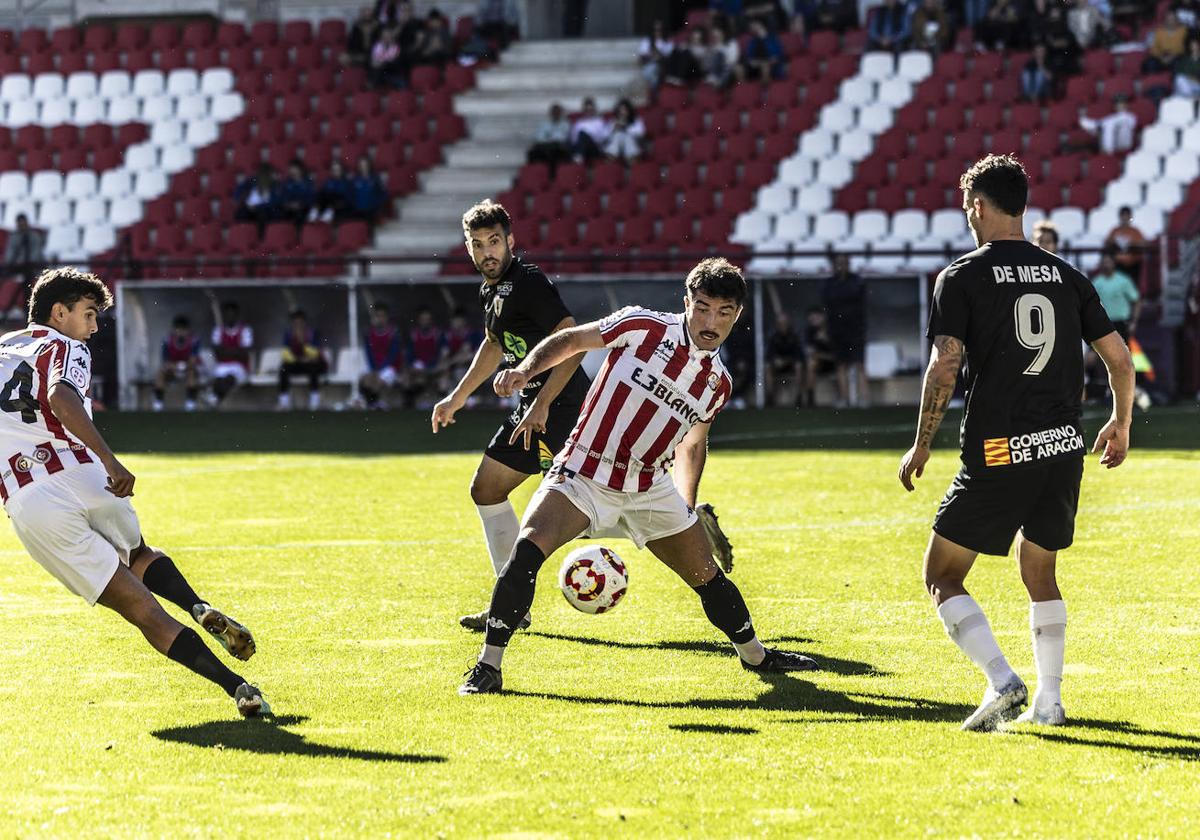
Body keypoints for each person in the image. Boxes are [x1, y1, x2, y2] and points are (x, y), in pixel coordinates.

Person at [457, 258, 818, 695]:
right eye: (702, 307)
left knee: (709, 578)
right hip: (583, 470)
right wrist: (525, 371)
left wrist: (687, 505)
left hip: (649, 487)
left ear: (737, 316)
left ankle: (757, 656)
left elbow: (692, 444)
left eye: (724, 313)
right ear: (686, 302)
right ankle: (488, 667)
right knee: (525, 554)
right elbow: (571, 339)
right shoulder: (642, 326)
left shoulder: (718, 383)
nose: (710, 322)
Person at [898, 154, 1134, 731]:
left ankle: (1003, 681)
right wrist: (1121, 422)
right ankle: (1050, 702)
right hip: (1062, 446)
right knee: (1040, 572)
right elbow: (1120, 359)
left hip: (1002, 448)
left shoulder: (961, 275)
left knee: (942, 574)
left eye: (965, 204)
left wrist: (921, 442)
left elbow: (944, 365)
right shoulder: (1068, 275)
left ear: (978, 204)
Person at [0, 268, 269, 716]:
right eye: (88, 314)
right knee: (138, 553)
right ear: (58, 312)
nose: (93, 327)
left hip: (29, 501)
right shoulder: (64, 345)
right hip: (84, 473)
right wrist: (109, 459)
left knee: (141, 610)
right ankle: (197, 605)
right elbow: (61, 397)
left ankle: (238, 688)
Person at [432, 201, 590, 632]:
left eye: (494, 242)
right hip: (531, 410)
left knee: (585, 516)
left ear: (510, 242)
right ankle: (511, 605)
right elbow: (494, 344)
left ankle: (684, 522)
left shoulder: (529, 282)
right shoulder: (492, 289)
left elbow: (571, 343)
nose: (487, 252)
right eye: (477, 244)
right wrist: (458, 396)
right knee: (486, 489)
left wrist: (541, 404)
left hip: (565, 410)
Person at [822, 253, 869, 407]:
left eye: (844, 263)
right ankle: (844, 399)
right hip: (837, 330)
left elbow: (856, 298)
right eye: (838, 263)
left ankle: (864, 399)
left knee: (859, 364)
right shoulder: (829, 283)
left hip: (855, 329)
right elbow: (828, 305)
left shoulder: (857, 281)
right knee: (841, 364)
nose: (841, 266)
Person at [278, 309, 327, 411]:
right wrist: (297, 359)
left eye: (300, 322)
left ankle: (314, 402)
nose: (298, 325)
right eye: (295, 323)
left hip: (313, 363)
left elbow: (316, 353)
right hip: (297, 363)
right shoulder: (289, 334)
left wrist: (303, 343)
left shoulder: (312, 333)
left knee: (313, 369)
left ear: (304, 322)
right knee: (283, 369)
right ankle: (284, 403)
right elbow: (285, 353)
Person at [153, 315, 201, 412]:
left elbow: (193, 361)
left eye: (184, 330)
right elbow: (165, 362)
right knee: (160, 374)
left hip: (188, 370)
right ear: (174, 330)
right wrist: (175, 367)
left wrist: (181, 366)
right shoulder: (167, 341)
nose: (181, 333)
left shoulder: (194, 341)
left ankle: (190, 404)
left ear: (188, 330)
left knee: (192, 374)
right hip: (173, 370)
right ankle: (158, 403)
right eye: (178, 329)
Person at [360, 302, 402, 410]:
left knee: (378, 382)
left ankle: (380, 402)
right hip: (375, 366)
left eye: (382, 316)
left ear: (387, 317)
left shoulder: (393, 332)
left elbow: (393, 354)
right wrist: (374, 369)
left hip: (390, 367)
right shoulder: (369, 333)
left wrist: (380, 369)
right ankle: (373, 404)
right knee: (365, 380)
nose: (380, 319)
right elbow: (369, 352)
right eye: (377, 316)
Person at [210, 301, 253, 405]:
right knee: (218, 380)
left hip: (240, 366)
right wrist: (235, 350)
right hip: (223, 365)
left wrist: (226, 351)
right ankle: (216, 400)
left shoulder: (245, 330)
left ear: (237, 315)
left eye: (232, 314)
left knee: (229, 378)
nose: (230, 317)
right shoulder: (218, 330)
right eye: (228, 314)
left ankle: (215, 400)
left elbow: (245, 353)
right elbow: (217, 353)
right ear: (224, 315)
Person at [1090, 251, 1141, 339]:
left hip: (1121, 323)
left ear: (1113, 264)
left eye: (1108, 262)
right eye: (1104, 263)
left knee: (1123, 351)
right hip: (1103, 323)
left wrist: (1133, 322)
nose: (1106, 265)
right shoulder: (1096, 282)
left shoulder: (1124, 280)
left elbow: (1136, 301)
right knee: (1098, 352)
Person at [3, 213, 45, 318]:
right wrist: (12, 265)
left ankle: (26, 312)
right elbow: (9, 254)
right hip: (17, 267)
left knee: (27, 282)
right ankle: (7, 310)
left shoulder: (34, 236)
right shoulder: (14, 237)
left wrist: (25, 265)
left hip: (32, 268)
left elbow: (35, 255)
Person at [406, 307, 445, 405]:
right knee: (413, 381)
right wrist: (413, 366)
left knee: (443, 382)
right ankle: (412, 405)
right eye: (423, 319)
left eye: (427, 319)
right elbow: (409, 355)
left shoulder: (438, 334)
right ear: (419, 320)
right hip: (418, 370)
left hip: (434, 369)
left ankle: (441, 404)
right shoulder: (413, 334)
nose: (425, 322)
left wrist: (434, 366)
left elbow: (443, 353)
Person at [766, 311, 806, 407]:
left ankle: (799, 396)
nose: (782, 325)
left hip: (792, 365)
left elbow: (800, 356)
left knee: (799, 366)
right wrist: (775, 360)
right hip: (777, 366)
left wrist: (786, 361)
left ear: (788, 323)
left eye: (784, 323)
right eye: (780, 323)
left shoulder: (795, 336)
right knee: (767, 367)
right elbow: (769, 355)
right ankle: (770, 397)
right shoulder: (773, 337)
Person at [803, 306, 837, 407]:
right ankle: (810, 398)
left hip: (836, 364)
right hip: (820, 363)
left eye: (816, 318)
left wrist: (826, 341)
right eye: (811, 319)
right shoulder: (809, 331)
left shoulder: (833, 329)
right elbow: (810, 353)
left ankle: (843, 399)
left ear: (823, 317)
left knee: (841, 366)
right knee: (811, 364)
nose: (813, 321)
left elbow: (839, 354)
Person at [526, 103, 573, 173]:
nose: (555, 114)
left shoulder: (566, 124)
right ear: (551, 113)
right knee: (532, 152)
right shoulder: (544, 124)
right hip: (545, 146)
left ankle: (552, 175)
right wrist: (551, 138)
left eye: (557, 112)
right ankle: (531, 174)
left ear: (560, 113)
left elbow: (562, 138)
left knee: (553, 151)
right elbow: (539, 137)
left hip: (559, 148)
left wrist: (548, 136)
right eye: (554, 112)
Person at [1103, 206, 1147, 280]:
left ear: (1130, 217)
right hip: (1118, 265)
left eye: (1127, 216)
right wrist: (1115, 242)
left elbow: (1143, 243)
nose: (1125, 218)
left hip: (1134, 265)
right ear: (1120, 217)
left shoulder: (1135, 231)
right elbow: (1107, 242)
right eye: (1123, 215)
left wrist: (1130, 243)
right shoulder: (1115, 231)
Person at [233, 164, 279, 230]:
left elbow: (273, 202)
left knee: (263, 215)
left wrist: (258, 207)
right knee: (240, 213)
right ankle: (242, 234)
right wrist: (246, 204)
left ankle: (261, 237)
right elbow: (240, 189)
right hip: (250, 208)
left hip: (264, 210)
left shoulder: (274, 186)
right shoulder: (253, 181)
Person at [350, 156, 389, 226]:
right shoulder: (355, 179)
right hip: (358, 210)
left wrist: (376, 203)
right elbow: (350, 194)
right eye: (361, 165)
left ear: (369, 165)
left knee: (370, 230)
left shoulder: (375, 178)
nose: (363, 167)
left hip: (371, 210)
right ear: (359, 166)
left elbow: (383, 193)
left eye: (365, 165)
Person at [570, 97, 610, 163]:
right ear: (584, 110)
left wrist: (590, 136)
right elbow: (574, 139)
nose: (589, 112)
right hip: (581, 147)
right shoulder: (579, 123)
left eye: (590, 110)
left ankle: (578, 157)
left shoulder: (599, 121)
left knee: (583, 134)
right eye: (587, 110)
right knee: (581, 135)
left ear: (594, 110)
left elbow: (604, 137)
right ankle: (579, 156)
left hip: (595, 148)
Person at [277, 160, 315, 226]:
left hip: (303, 210)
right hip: (289, 210)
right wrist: (289, 205)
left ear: (300, 170)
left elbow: (311, 198)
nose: (292, 171)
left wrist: (300, 204)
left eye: (294, 169)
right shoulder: (286, 183)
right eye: (290, 169)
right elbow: (282, 198)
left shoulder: (308, 183)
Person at [638, 20, 672, 89]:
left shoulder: (668, 42)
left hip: (663, 67)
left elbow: (670, 58)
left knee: (655, 71)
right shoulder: (646, 41)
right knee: (651, 70)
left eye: (659, 30)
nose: (657, 32)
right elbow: (641, 59)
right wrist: (651, 55)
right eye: (655, 30)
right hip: (649, 65)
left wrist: (659, 54)